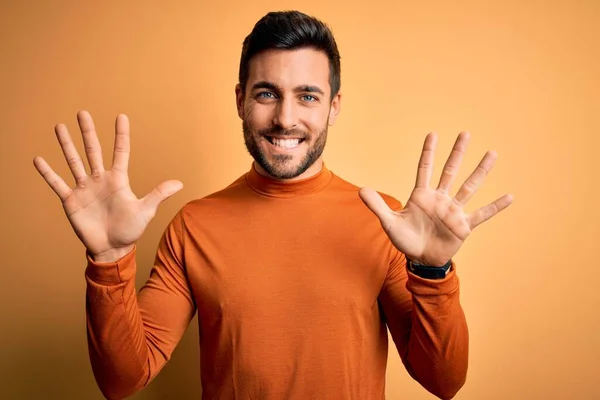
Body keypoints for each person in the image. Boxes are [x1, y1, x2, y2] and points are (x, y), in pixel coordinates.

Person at [33, 10, 513, 400]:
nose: (286, 118)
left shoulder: (386, 222)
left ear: (334, 106)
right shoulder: (194, 226)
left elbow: (444, 382)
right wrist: (109, 261)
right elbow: (121, 380)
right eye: (267, 94)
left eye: (307, 96)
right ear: (241, 100)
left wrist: (433, 271)